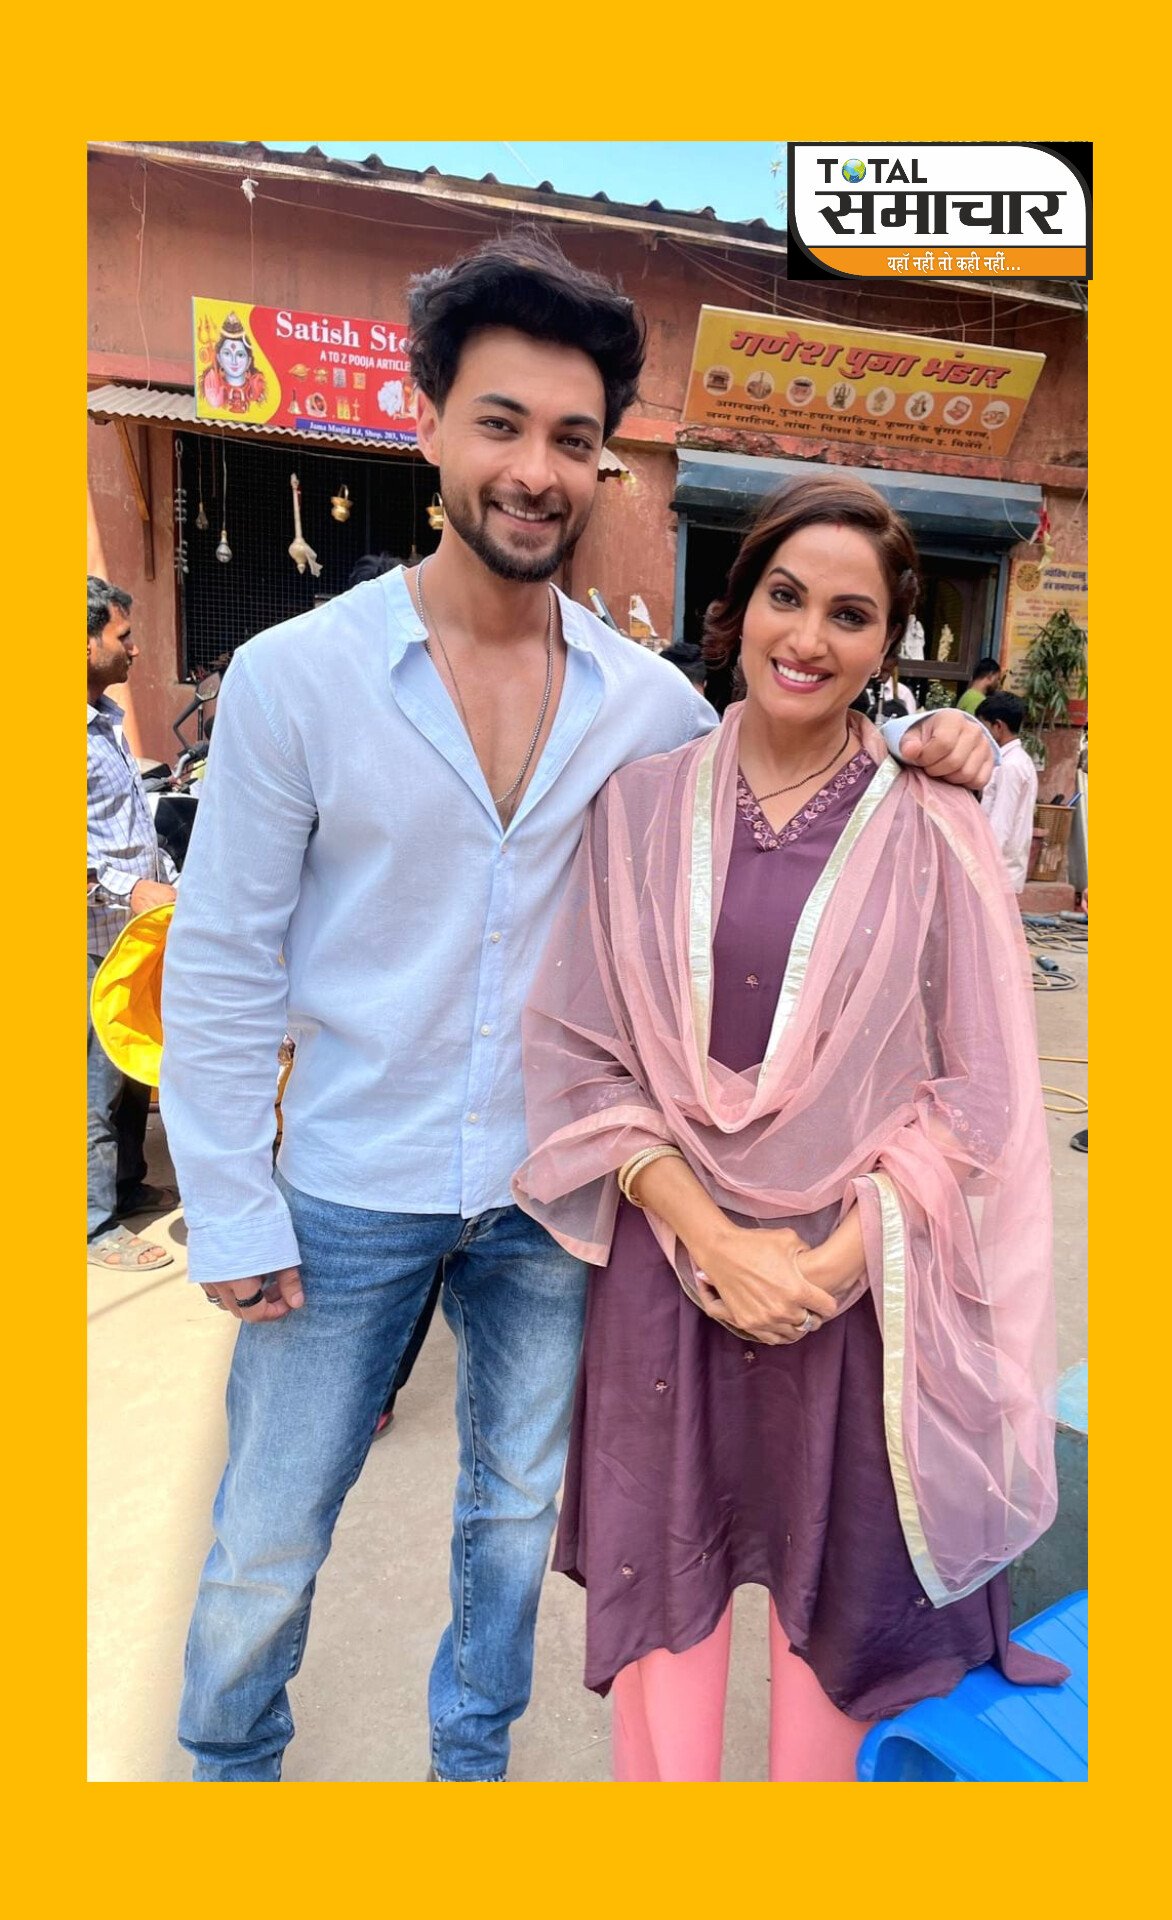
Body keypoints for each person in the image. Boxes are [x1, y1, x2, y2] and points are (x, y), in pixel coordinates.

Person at [159, 230, 996, 1785]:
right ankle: (224, 1780)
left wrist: (936, 745)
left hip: (561, 1204)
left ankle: (469, 1777)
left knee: (511, 1526)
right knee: (268, 1534)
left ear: (605, 462)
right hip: (346, 1183)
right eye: (501, 424)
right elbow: (220, 965)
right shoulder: (294, 680)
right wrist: (228, 1204)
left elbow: (785, 754)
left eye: (572, 438)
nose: (535, 470)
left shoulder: (647, 707)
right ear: (428, 424)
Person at [513, 475, 1063, 1783]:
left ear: (888, 644)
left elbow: (978, 1091)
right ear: (741, 604)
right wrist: (715, 1241)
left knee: (842, 1593)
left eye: (850, 615)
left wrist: (820, 1269)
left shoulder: (932, 824)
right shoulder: (640, 805)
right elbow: (584, 1053)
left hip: (859, 1276)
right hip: (673, 1265)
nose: (808, 637)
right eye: (786, 595)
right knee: (670, 1585)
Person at [87, 579, 179, 1271]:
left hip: (132, 933)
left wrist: (168, 877)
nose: (135, 650)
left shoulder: (105, 722)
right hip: (91, 936)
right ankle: (92, 1224)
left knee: (131, 1060)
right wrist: (129, 886)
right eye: (123, 637)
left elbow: (128, 827)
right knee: (92, 1079)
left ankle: (125, 1183)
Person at [977, 691, 1039, 892]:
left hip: (998, 870)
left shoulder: (1010, 765)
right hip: (1003, 867)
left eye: (983, 728)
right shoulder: (1018, 760)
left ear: (998, 726)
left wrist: (982, 864)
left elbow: (1001, 822)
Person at [199, 312, 267, 415]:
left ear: (248, 361)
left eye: (240, 355)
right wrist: (214, 402)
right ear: (219, 358)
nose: (234, 361)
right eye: (227, 353)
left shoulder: (256, 386)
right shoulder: (213, 384)